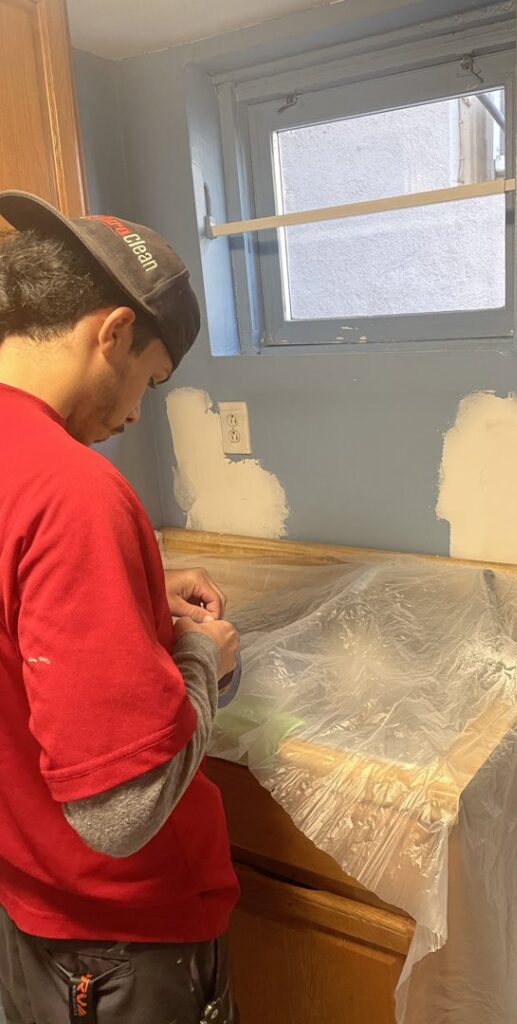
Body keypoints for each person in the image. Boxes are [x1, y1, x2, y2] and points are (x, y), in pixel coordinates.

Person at [0, 192, 241, 1023]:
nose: (138, 410)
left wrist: (135, 585)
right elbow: (121, 811)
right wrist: (206, 654)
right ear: (109, 333)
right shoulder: (73, 491)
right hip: (120, 943)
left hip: (28, 909)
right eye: (149, 377)